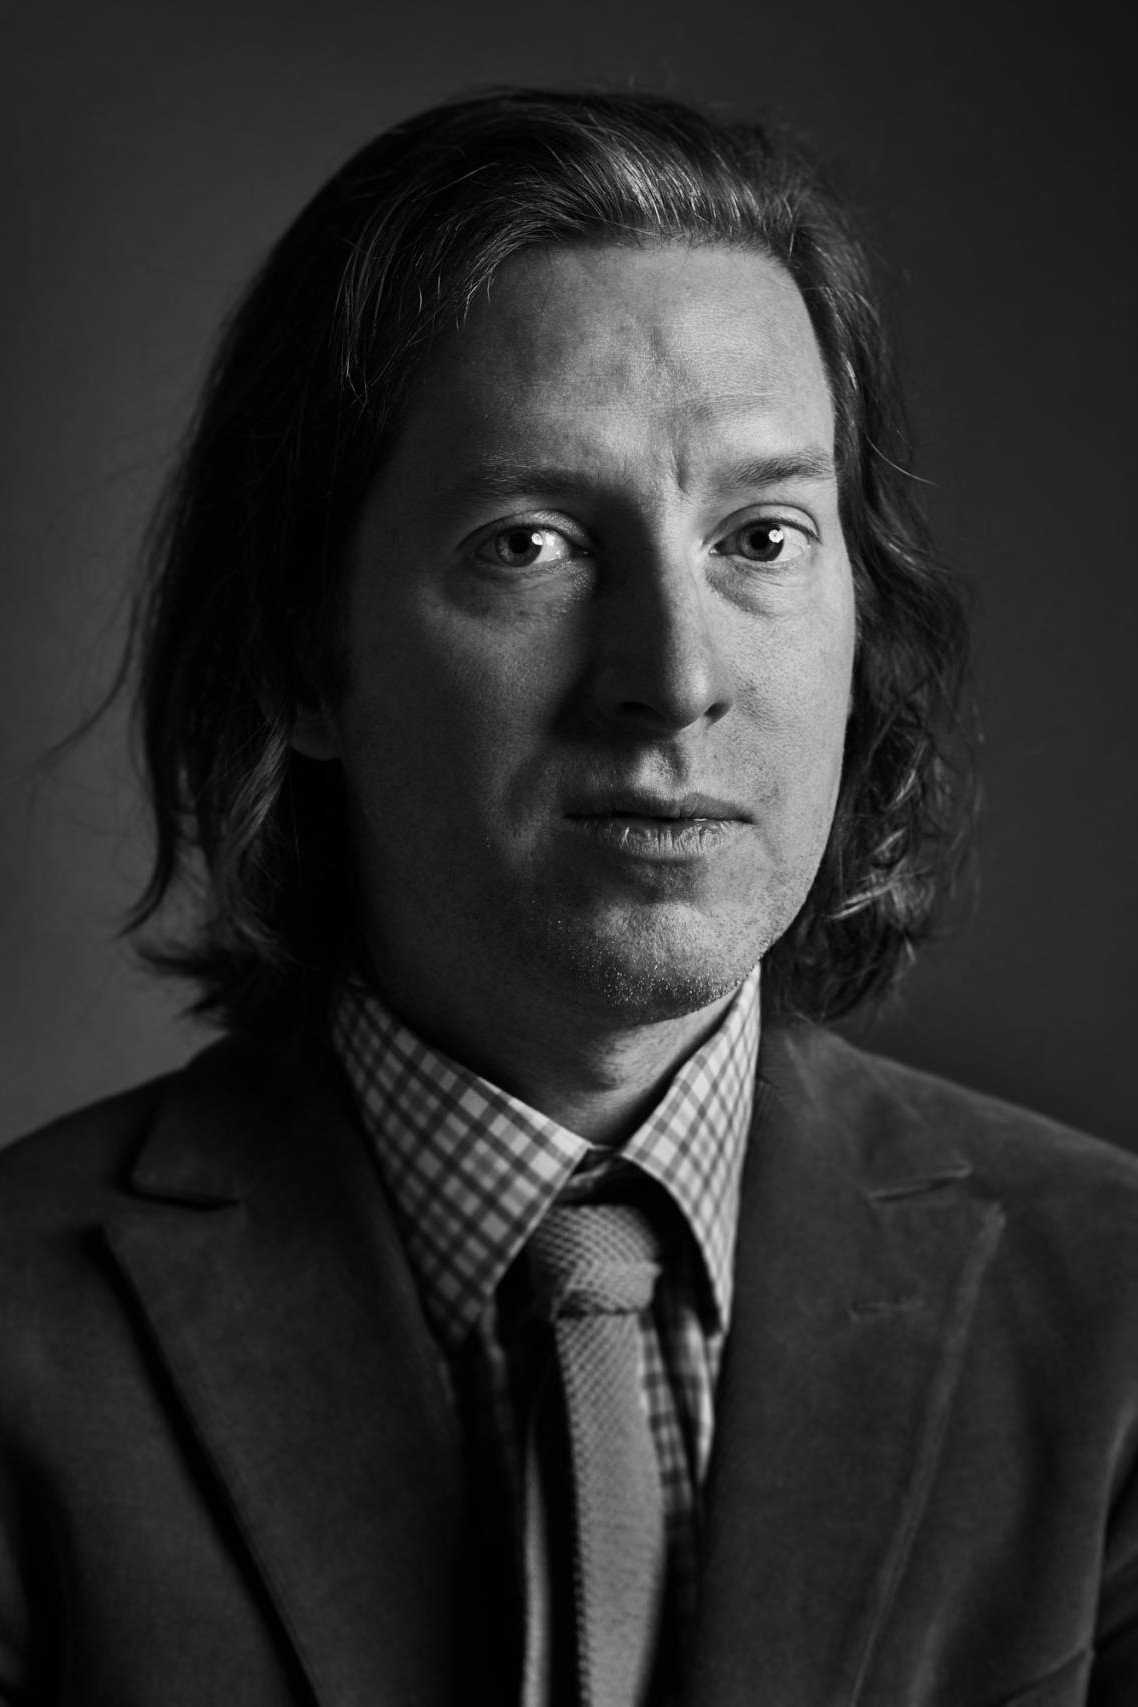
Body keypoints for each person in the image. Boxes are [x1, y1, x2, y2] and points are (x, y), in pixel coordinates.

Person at [0, 85, 1135, 1707]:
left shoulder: (1114, 1320)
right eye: (529, 543)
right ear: (303, 657)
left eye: (761, 536)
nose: (671, 677)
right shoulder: (21, 1334)